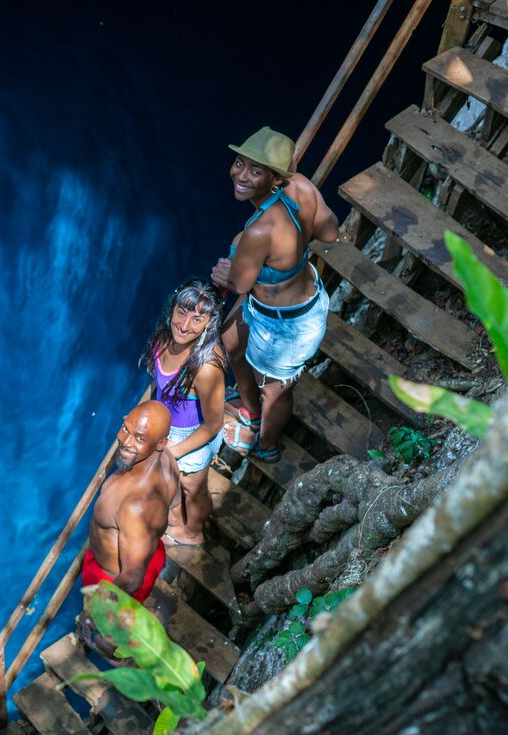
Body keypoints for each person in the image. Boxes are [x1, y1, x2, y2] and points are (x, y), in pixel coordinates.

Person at [210, 127, 339, 463]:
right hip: (303, 299)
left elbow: (237, 284)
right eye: (239, 163)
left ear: (275, 178)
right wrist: (286, 253)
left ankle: (266, 444)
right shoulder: (303, 187)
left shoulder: (259, 230)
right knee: (230, 341)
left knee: (275, 392)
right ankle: (251, 412)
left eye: (255, 171)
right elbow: (330, 231)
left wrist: (227, 268)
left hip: (283, 328)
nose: (240, 175)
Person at [80, 401, 177, 657]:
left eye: (139, 438)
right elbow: (174, 504)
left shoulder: (137, 507)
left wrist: (95, 608)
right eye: (126, 428)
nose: (126, 441)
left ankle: (112, 648)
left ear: (160, 443)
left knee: (108, 636)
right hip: (144, 550)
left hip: (116, 577)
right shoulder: (167, 462)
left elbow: (132, 578)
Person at [142, 280, 227, 547]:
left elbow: (213, 424)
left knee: (193, 488)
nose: (184, 325)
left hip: (192, 435)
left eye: (197, 319)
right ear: (173, 308)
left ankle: (193, 533)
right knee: (173, 483)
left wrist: (173, 452)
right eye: (182, 312)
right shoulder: (163, 339)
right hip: (167, 430)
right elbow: (160, 384)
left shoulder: (206, 368)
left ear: (208, 323)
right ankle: (179, 523)